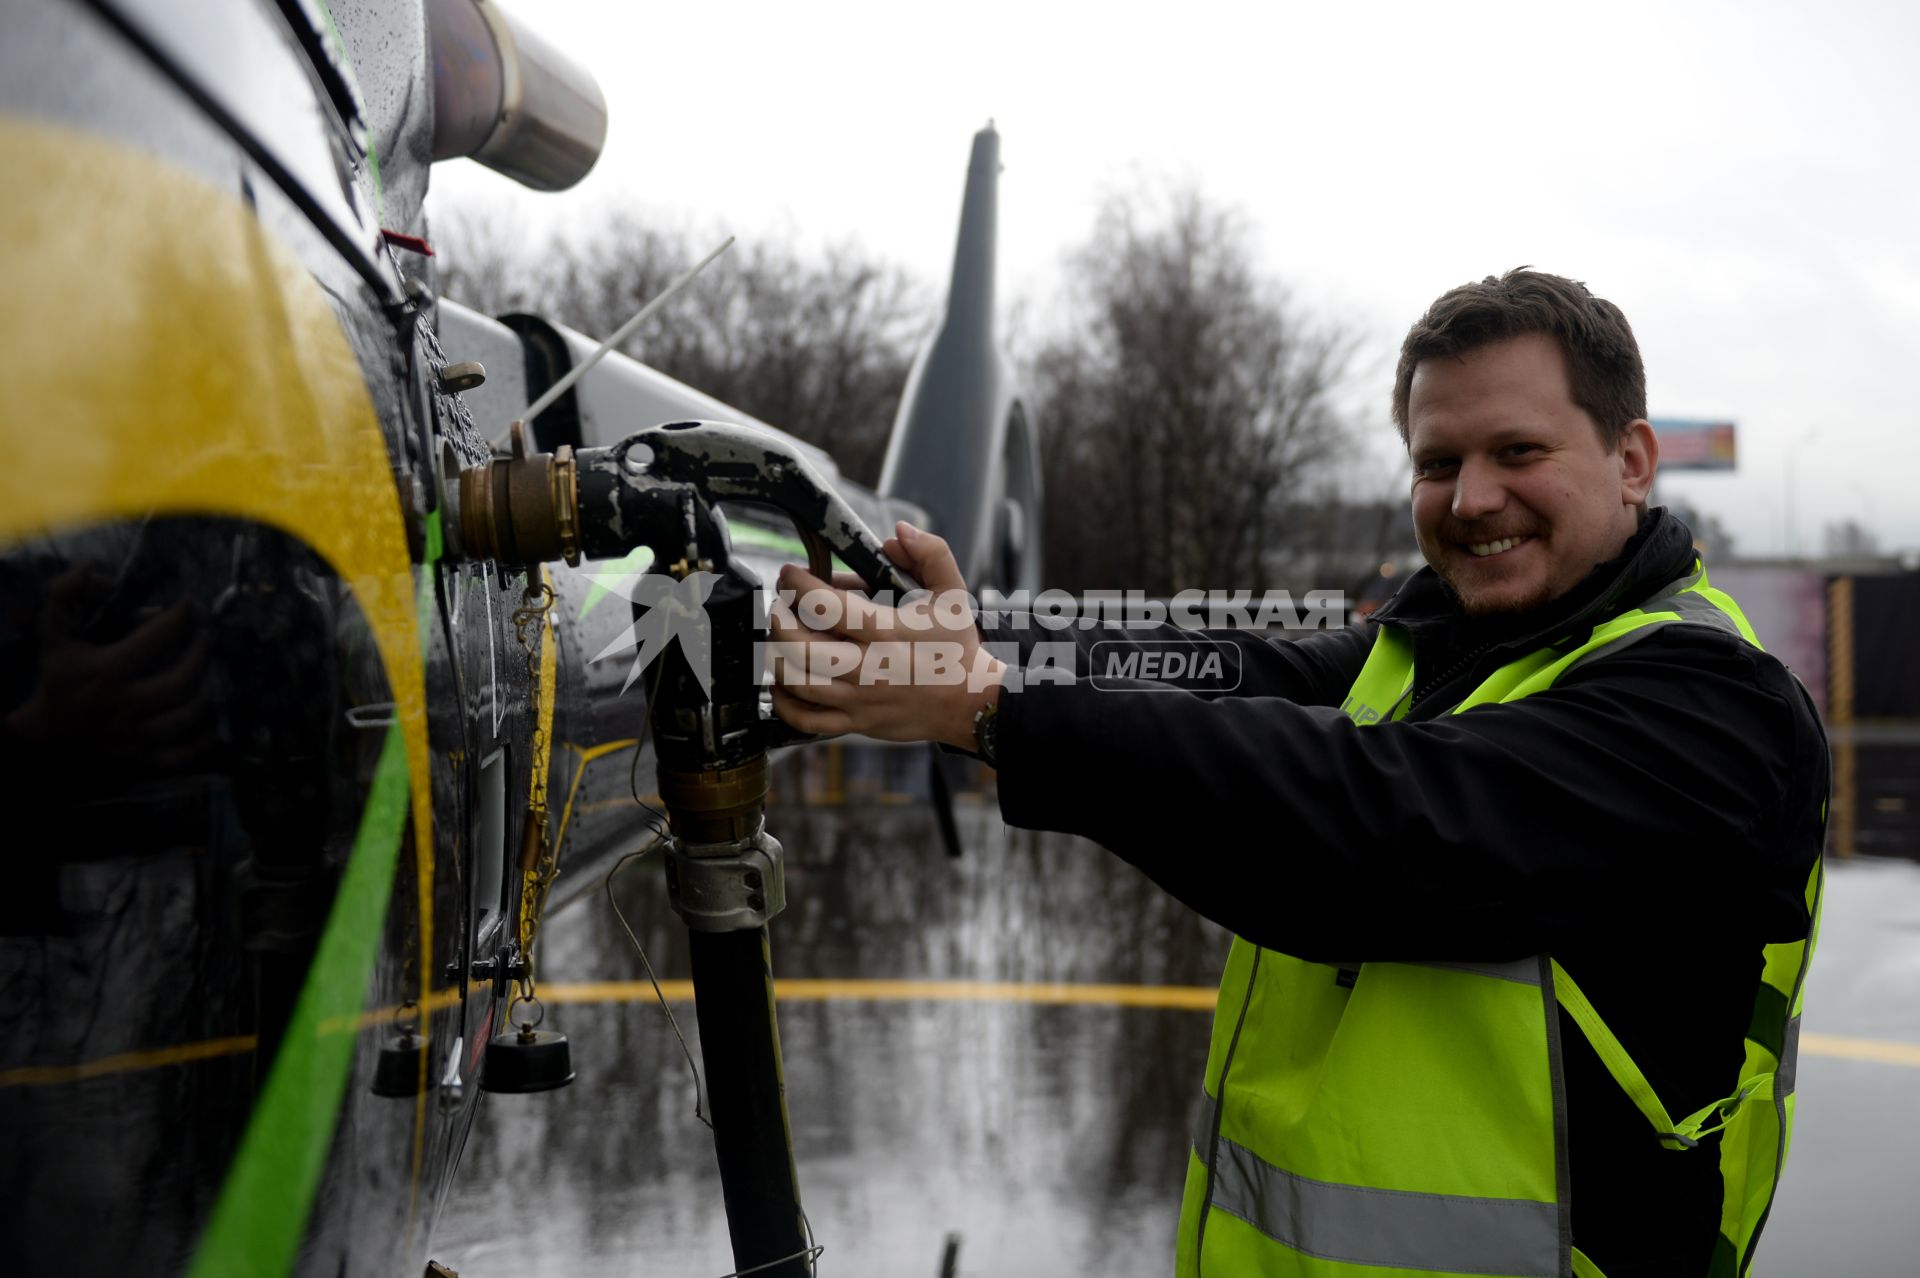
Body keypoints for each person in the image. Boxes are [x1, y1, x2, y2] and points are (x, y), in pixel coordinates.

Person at [769, 269, 1828, 1278]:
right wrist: (966, 640)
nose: (1471, 499)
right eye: (1437, 463)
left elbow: (1381, 825)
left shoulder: (1711, 706)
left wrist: (989, 708)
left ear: (1633, 460)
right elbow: (1224, 672)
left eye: (1517, 450)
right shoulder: (1443, 651)